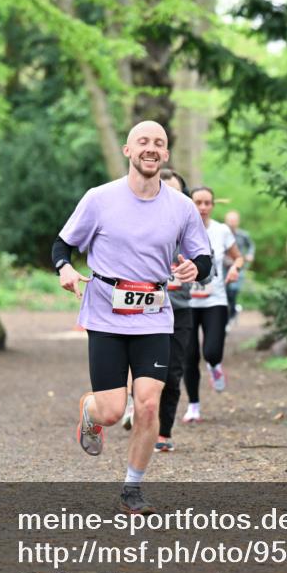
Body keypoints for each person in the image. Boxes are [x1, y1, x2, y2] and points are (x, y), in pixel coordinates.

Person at [53, 121, 211, 514]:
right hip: (106, 314)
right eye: (143, 141)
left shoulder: (181, 207)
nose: (151, 148)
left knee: (146, 405)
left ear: (166, 154)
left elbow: (203, 257)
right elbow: (63, 244)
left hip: (153, 315)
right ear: (128, 150)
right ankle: (89, 411)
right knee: (111, 410)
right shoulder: (100, 198)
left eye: (159, 143)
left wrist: (196, 268)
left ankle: (132, 488)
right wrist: (65, 269)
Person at [122, 168, 195, 454]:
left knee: (173, 373)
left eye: (176, 191)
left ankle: (163, 432)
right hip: (144, 308)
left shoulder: (190, 226)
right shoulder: (137, 224)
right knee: (143, 372)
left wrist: (196, 268)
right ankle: (136, 409)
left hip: (179, 310)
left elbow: (207, 267)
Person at [183, 186, 245, 422]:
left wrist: (235, 269)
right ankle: (194, 406)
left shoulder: (221, 231)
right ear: (190, 204)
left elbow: (237, 256)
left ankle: (215, 366)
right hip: (187, 302)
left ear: (213, 205)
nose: (203, 207)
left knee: (211, 352)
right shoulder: (180, 229)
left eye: (207, 203)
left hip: (215, 300)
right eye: (198, 202)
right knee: (189, 357)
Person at [223, 210, 255, 326]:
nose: (232, 223)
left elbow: (251, 245)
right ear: (225, 221)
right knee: (225, 292)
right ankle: (230, 314)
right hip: (224, 268)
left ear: (238, 222)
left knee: (233, 291)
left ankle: (232, 314)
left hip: (238, 268)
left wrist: (250, 254)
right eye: (229, 221)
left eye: (234, 221)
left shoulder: (243, 235)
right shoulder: (222, 234)